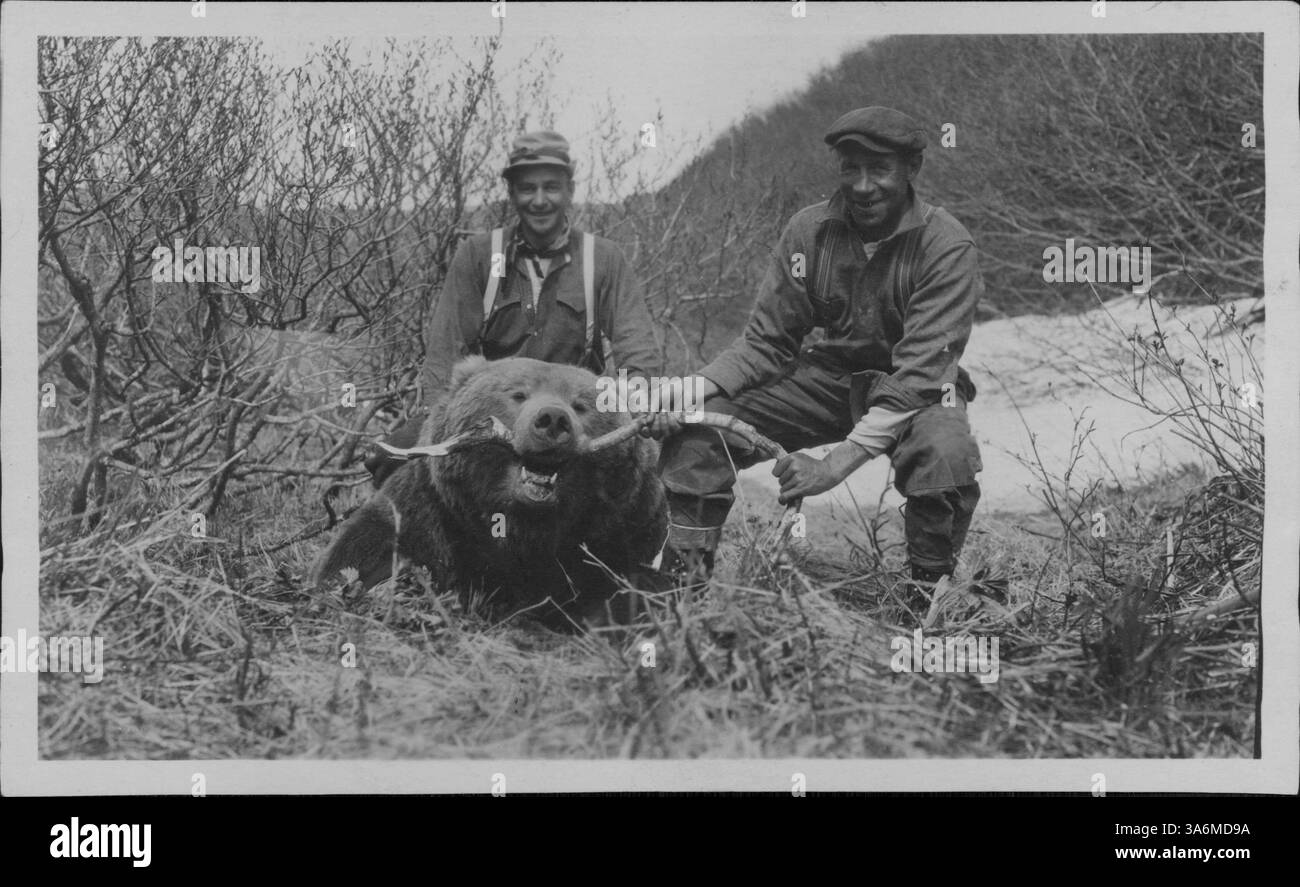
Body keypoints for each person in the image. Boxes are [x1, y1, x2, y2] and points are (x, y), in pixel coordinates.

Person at [652, 107, 984, 602]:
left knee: (944, 450)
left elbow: (919, 375)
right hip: (827, 379)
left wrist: (833, 467)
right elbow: (766, 342)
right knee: (703, 429)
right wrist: (687, 393)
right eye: (851, 168)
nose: (863, 186)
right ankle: (682, 593)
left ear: (912, 169)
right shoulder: (808, 232)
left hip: (918, 388)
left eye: (880, 170)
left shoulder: (947, 246)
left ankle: (924, 600)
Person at [366, 131, 662, 486]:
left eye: (551, 187)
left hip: (573, 422)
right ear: (511, 193)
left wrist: (633, 409)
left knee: (643, 477)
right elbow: (445, 353)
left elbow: (638, 352)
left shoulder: (603, 259)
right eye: (527, 188)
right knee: (391, 459)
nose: (540, 200)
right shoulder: (478, 256)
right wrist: (437, 422)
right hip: (496, 421)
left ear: (569, 190)